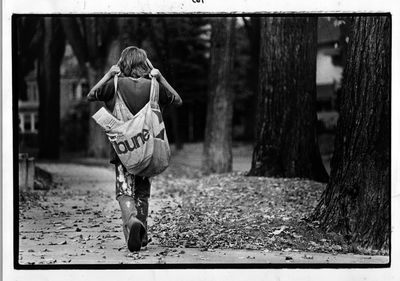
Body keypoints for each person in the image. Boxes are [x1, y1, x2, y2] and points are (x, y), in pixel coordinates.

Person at [87, 46, 182, 252]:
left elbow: (91, 95)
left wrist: (109, 74)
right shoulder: (154, 86)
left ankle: (131, 222)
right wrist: (160, 76)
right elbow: (177, 99)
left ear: (123, 64)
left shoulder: (114, 84)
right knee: (142, 193)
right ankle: (143, 233)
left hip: (123, 150)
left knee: (124, 191)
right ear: (144, 64)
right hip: (147, 149)